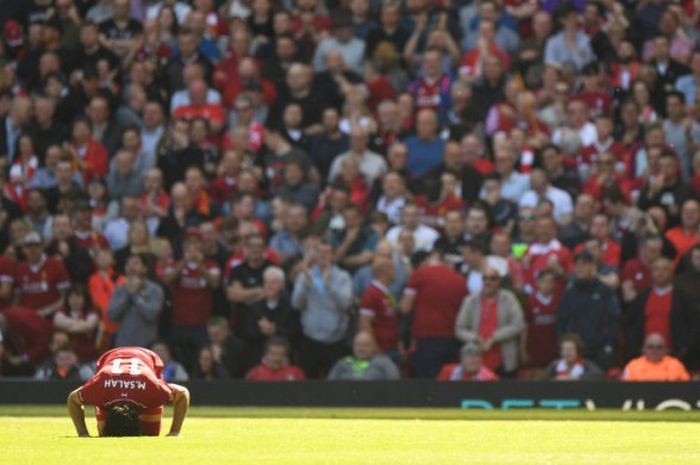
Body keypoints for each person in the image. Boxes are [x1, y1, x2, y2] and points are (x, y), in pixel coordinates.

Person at [67, 347, 190, 437]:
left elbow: (73, 398)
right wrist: (174, 432)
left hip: (147, 359)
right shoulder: (101, 389)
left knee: (150, 434)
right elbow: (182, 393)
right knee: (109, 433)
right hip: (112, 362)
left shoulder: (151, 390)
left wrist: (83, 433)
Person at [291, 239, 353, 378]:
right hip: (310, 339)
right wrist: (306, 285)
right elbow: (296, 304)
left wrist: (330, 286)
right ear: (314, 254)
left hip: (335, 341)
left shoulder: (342, 277)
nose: (323, 255)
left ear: (332, 255)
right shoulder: (305, 276)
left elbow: (346, 304)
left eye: (327, 252)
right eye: (319, 252)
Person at [400, 251, 466, 378]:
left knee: (427, 383)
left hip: (426, 339)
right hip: (452, 339)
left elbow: (405, 308)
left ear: (428, 260)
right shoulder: (460, 280)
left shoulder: (419, 274)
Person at [454, 266, 525, 377]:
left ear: (499, 281)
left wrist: (495, 338)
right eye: (485, 278)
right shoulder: (470, 301)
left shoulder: (509, 299)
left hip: (504, 359)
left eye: (493, 278)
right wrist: (475, 338)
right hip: (476, 361)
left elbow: (518, 324)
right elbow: (459, 329)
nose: (488, 282)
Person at [556, 250, 620, 369]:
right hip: (575, 351)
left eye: (584, 264)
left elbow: (613, 319)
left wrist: (608, 345)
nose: (579, 269)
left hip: (599, 350)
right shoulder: (569, 294)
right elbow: (561, 322)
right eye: (577, 265)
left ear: (593, 266)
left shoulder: (605, 291)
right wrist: (564, 345)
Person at [107, 254, 165, 348]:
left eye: (135, 263)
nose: (131, 267)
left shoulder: (155, 289)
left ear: (144, 268)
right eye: (128, 264)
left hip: (146, 346)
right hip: (123, 346)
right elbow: (112, 315)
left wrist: (134, 294)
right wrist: (127, 294)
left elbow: (151, 315)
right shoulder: (120, 290)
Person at [327, 331, 399, 381]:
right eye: (357, 345)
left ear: (373, 347)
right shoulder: (343, 363)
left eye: (365, 345)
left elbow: (395, 382)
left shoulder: (384, 362)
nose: (361, 348)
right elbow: (329, 385)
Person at [622, 333, 690, 382]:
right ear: (643, 349)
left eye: (659, 347)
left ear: (666, 349)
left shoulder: (675, 364)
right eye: (650, 347)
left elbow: (687, 385)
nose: (655, 351)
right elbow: (625, 387)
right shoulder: (633, 365)